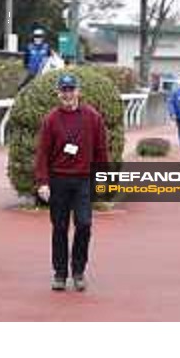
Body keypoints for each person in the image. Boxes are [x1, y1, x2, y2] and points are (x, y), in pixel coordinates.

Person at [35, 73, 109, 292]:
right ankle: (59, 273)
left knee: (84, 224)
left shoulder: (93, 117)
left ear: (78, 92)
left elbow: (101, 151)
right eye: (63, 90)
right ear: (58, 93)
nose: (67, 94)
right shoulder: (51, 119)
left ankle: (78, 271)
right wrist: (43, 182)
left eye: (71, 90)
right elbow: (42, 154)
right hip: (58, 180)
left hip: (83, 180)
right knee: (59, 227)